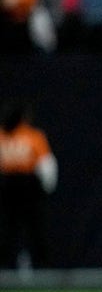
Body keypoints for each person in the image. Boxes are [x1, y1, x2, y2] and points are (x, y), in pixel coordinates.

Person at [0, 100, 57, 271]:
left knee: (8, 230)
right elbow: (47, 166)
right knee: (35, 229)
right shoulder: (32, 136)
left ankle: (5, 266)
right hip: (27, 188)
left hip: (8, 188)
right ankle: (42, 266)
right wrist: (46, 188)